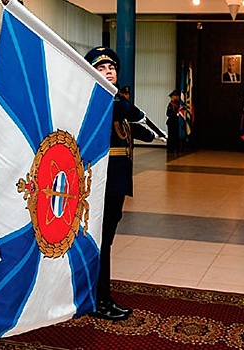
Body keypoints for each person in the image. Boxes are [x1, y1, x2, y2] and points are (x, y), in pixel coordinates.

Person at [84, 46, 156, 321]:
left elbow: (149, 133)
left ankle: (100, 296)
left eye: (111, 68)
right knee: (99, 244)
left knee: (106, 244)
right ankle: (99, 300)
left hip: (115, 186)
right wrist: (123, 106)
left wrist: (130, 111)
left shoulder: (117, 104)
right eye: (101, 69)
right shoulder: (96, 103)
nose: (108, 73)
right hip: (99, 187)